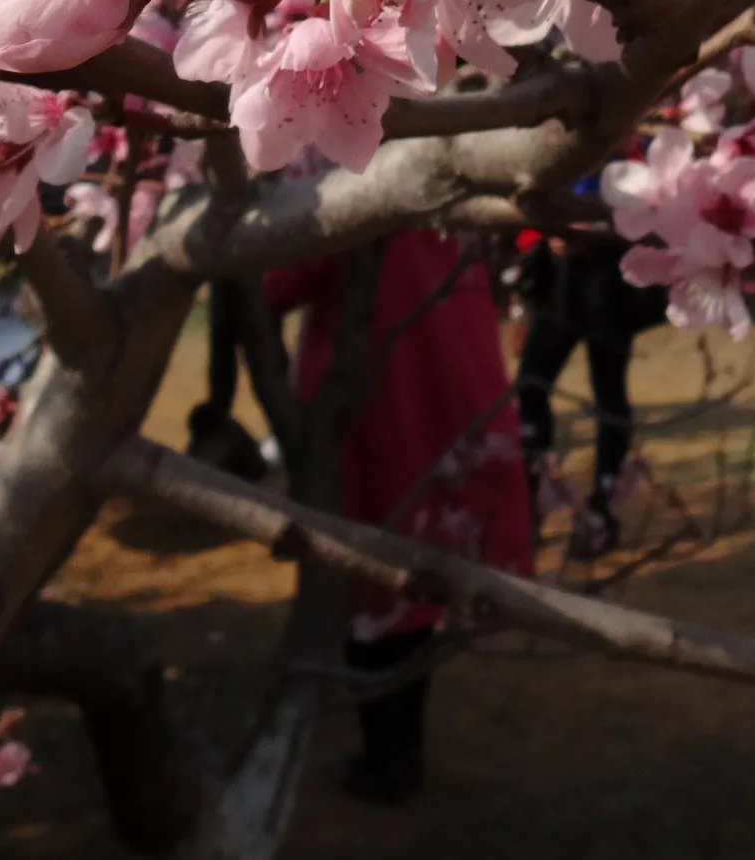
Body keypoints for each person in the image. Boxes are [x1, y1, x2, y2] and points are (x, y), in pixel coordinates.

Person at [263, 226, 534, 805]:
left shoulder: (346, 173)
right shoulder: (444, 172)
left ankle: (389, 754)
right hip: (446, 377)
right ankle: (398, 746)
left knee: (373, 577)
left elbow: (277, 282)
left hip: (380, 392)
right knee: (416, 574)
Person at [512, 221, 668, 554]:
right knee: (530, 384)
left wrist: (596, 228)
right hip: (558, 277)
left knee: (608, 393)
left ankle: (603, 505)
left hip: (607, 277)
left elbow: (645, 200)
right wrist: (547, 227)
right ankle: (528, 497)